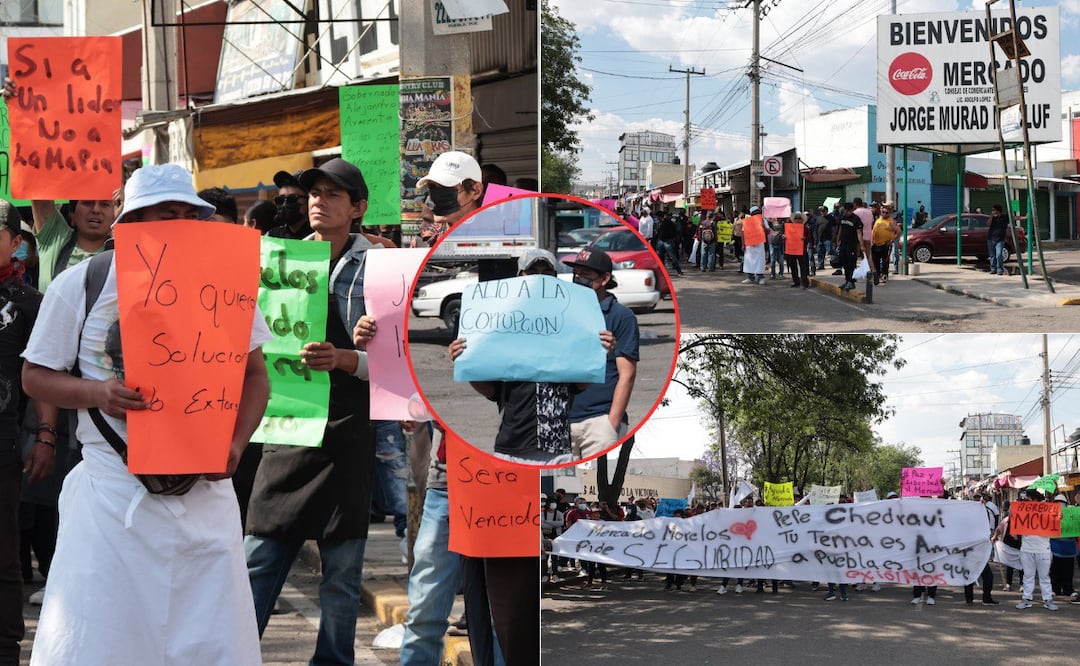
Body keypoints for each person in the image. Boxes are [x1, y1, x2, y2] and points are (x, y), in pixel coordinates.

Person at [21, 164, 270, 665]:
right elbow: (35, 376)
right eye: (163, 213)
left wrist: (237, 445)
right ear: (130, 221)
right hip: (113, 501)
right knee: (102, 643)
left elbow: (255, 377)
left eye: (186, 214)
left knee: (209, 641)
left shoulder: (221, 283)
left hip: (204, 498)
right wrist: (98, 394)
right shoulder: (82, 283)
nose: (177, 224)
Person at [245, 158, 380, 664]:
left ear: (358, 208)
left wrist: (348, 357)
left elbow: (398, 361)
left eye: (333, 194)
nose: (319, 201)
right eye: (314, 193)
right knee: (258, 554)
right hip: (289, 422)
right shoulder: (280, 261)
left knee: (342, 573)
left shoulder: (380, 267)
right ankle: (234, 651)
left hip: (348, 430)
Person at [448, 249, 613, 465]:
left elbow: (579, 386)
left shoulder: (573, 317)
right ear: (520, 277)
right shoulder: (502, 320)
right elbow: (492, 391)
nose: (539, 276)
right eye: (533, 270)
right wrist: (465, 359)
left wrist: (598, 352)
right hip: (511, 448)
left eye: (546, 271)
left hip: (558, 451)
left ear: (555, 277)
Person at [0, 201, 49, 666]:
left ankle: (6, 648)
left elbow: (44, 372)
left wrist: (47, 436)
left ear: (17, 244)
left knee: (5, 556)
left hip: (5, 449)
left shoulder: (32, 304)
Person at [562, 249, 639, 460]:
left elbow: (627, 374)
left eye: (586, 274)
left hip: (600, 420)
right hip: (561, 420)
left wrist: (611, 423)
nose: (579, 279)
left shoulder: (621, 317)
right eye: (576, 273)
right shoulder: (561, 312)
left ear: (605, 278)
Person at [1015, 489, 1056, 611]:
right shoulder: (1022, 512)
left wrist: (1058, 517)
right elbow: (1016, 528)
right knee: (1028, 576)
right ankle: (1026, 599)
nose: (1025, 501)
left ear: (1035, 499)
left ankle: (1047, 599)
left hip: (1043, 549)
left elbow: (1056, 524)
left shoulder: (1047, 511)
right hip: (1026, 549)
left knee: (1044, 576)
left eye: (1027, 499)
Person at [267, 169, 313, 239]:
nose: (285, 204)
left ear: (308, 200)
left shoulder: (318, 236)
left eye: (292, 199)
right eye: (280, 200)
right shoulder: (272, 236)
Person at [834, 202, 864, 291]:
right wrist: (838, 239)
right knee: (845, 263)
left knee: (851, 263)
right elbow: (840, 229)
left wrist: (861, 245)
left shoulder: (856, 219)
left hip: (852, 244)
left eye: (848, 211)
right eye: (845, 211)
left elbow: (859, 233)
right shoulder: (842, 217)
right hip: (843, 244)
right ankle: (847, 281)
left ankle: (851, 282)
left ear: (852, 210)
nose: (846, 213)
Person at [871, 203, 899, 285]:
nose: (884, 214)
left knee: (885, 261)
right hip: (876, 244)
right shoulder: (878, 220)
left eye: (886, 212)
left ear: (889, 213)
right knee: (875, 262)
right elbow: (874, 231)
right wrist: (872, 240)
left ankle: (884, 275)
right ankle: (877, 276)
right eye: (883, 212)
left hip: (885, 245)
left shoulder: (891, 221)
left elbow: (898, 232)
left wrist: (891, 240)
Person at [740, 206, 768, 284]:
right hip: (749, 245)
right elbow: (743, 233)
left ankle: (760, 277)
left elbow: (768, 232)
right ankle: (750, 277)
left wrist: (763, 227)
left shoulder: (763, 220)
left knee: (760, 261)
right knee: (749, 261)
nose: (756, 214)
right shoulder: (747, 221)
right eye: (755, 213)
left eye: (757, 212)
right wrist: (743, 244)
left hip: (759, 244)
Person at [784, 212, 811, 289]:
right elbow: (786, 236)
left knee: (803, 267)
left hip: (801, 250)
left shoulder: (805, 228)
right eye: (796, 218)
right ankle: (796, 281)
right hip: (792, 250)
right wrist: (785, 237)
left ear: (802, 220)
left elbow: (809, 237)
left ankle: (805, 282)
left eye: (799, 218)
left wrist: (805, 238)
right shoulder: (790, 228)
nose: (798, 220)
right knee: (793, 266)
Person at [654, 212, 683, 276]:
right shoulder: (659, 223)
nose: (657, 218)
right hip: (660, 241)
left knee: (672, 256)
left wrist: (672, 238)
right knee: (660, 256)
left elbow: (675, 231)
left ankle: (679, 271)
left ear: (660, 217)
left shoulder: (668, 222)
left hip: (667, 241)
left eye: (657, 217)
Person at [987, 203, 1008, 275]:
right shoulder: (993, 218)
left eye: (994, 210)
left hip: (1000, 239)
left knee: (998, 254)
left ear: (998, 211)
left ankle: (1000, 269)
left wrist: (1025, 217)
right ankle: (993, 269)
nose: (993, 211)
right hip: (991, 238)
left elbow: (1014, 217)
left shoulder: (1004, 217)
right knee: (992, 255)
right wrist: (991, 216)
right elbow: (988, 224)